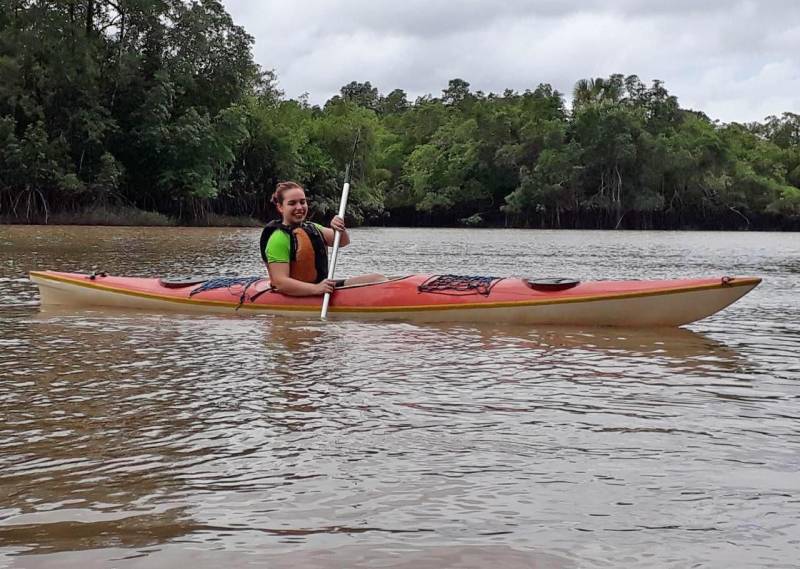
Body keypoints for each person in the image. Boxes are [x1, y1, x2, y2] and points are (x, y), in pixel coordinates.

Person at [260, 181, 386, 296]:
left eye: (302, 202)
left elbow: (343, 241)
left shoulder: (313, 228)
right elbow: (280, 282)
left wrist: (339, 227)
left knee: (377, 278)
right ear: (280, 207)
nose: (299, 207)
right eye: (292, 203)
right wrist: (316, 289)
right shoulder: (278, 239)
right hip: (300, 293)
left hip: (321, 287)